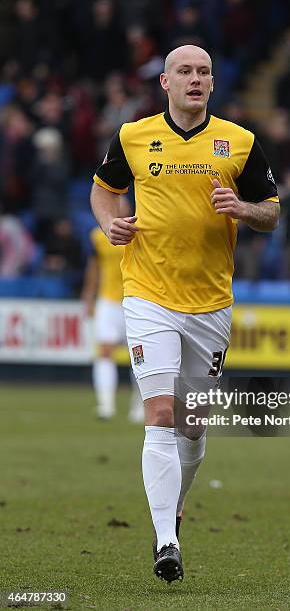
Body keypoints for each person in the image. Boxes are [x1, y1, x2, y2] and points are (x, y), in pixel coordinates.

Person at [90, 44, 279, 583]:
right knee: (161, 414)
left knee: (194, 425)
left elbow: (272, 211)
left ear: (212, 85)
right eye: (184, 72)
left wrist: (243, 209)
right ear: (165, 83)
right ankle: (166, 541)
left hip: (211, 303)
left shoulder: (239, 142)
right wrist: (109, 225)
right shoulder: (132, 136)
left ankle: (174, 507)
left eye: (203, 72)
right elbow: (103, 193)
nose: (194, 79)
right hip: (147, 292)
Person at [81, 199, 144, 422]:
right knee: (104, 351)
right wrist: (88, 296)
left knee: (141, 358)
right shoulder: (98, 236)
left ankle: (139, 408)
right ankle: (105, 405)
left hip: (136, 300)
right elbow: (94, 267)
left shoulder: (140, 229)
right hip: (108, 301)